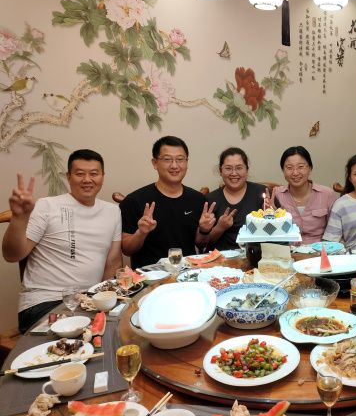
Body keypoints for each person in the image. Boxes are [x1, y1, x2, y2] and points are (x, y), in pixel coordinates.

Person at [2, 149, 122, 333]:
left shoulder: (112, 211)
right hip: (45, 303)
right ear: (68, 176)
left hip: (88, 303)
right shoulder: (47, 206)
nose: (87, 179)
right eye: (80, 174)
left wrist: (108, 301)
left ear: (102, 176)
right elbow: (12, 255)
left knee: (122, 328)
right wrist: (19, 218)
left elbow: (112, 262)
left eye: (94, 174)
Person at [120, 136, 213, 269]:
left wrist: (204, 230)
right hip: (150, 277)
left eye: (180, 159)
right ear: (155, 163)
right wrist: (141, 232)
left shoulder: (198, 199)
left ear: (187, 162)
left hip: (187, 273)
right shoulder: (134, 201)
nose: (174, 165)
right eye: (167, 159)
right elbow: (127, 249)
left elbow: (201, 244)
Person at [204, 147, 275, 250]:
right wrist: (219, 228)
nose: (234, 173)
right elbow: (202, 244)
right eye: (228, 168)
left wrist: (273, 214)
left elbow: (279, 233)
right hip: (221, 257)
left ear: (247, 170)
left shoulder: (263, 193)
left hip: (257, 255)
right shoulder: (211, 199)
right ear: (220, 171)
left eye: (239, 168)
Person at [272, 146, 338, 244]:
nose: (295, 173)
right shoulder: (276, 195)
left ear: (310, 168)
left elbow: (334, 232)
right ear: (283, 171)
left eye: (301, 167)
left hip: (319, 249)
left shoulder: (327, 194)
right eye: (289, 168)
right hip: (287, 250)